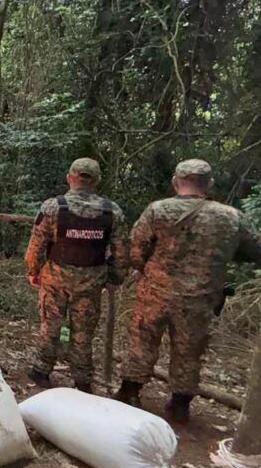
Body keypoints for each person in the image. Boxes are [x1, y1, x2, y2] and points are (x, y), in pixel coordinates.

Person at [115, 159, 261, 423]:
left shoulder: (157, 211)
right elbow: (254, 251)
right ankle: (180, 404)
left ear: (175, 182)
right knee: (190, 350)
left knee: (143, 341)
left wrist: (146, 268)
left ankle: (130, 393)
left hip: (155, 292)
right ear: (209, 184)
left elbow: (136, 250)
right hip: (201, 297)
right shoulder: (231, 217)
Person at [24, 158, 128, 393]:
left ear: (70, 177)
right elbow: (122, 254)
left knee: (50, 325)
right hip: (91, 283)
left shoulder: (53, 207)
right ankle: (82, 381)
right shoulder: (112, 211)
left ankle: (41, 371)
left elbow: (35, 247)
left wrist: (33, 271)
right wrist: (114, 277)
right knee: (83, 333)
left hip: (55, 279)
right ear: (96, 181)